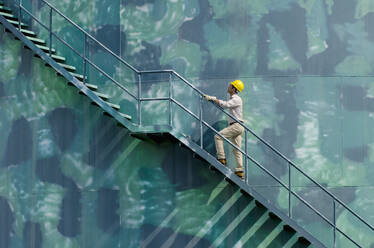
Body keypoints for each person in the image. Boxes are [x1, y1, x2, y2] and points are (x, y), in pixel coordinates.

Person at [204, 80, 245, 180]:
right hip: (237, 125)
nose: (228, 86)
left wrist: (213, 99)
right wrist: (214, 100)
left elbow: (226, 105)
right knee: (237, 149)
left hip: (236, 125)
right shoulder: (234, 99)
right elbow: (226, 105)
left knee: (218, 137)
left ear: (234, 89)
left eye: (230, 85)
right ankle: (240, 171)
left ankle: (221, 159)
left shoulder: (236, 99)